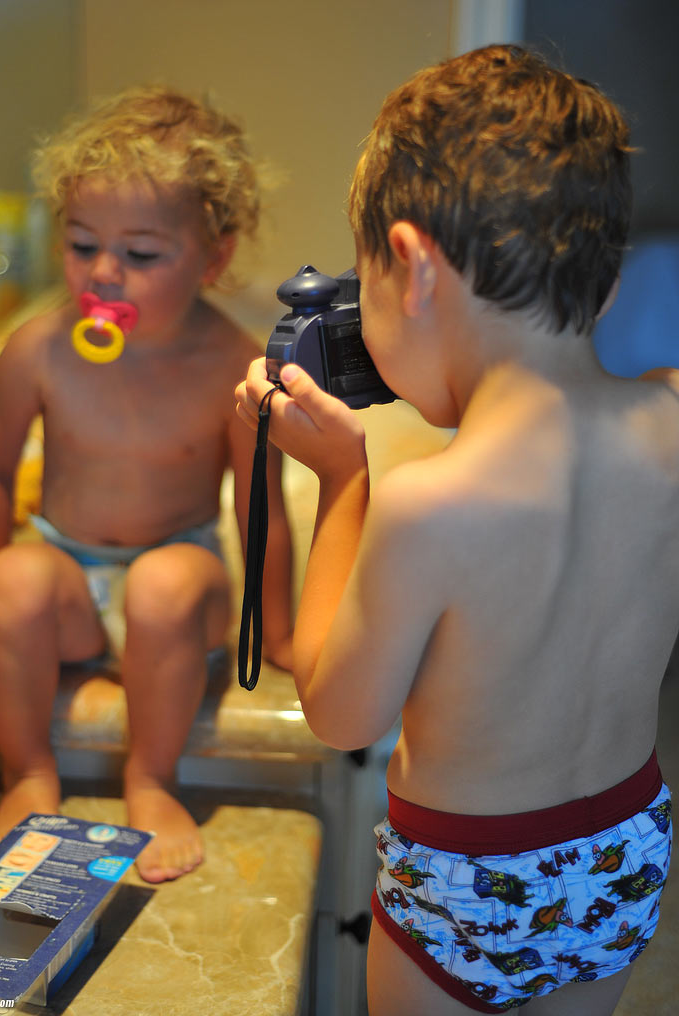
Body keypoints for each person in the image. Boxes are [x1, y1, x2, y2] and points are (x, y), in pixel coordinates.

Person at [236, 44, 675, 1014]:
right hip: (623, 855)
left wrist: (342, 479)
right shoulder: (673, 420)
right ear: (602, 278)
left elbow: (341, 713)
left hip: (470, 880)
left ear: (410, 266)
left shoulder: (426, 504)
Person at [0, 85, 293, 883]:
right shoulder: (38, 350)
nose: (105, 273)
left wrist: (276, 634)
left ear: (213, 257)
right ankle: (28, 772)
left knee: (165, 587)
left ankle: (151, 777)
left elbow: (261, 512)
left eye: (141, 255)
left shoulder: (233, 367)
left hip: (177, 583)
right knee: (12, 581)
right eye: (81, 245)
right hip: (68, 586)